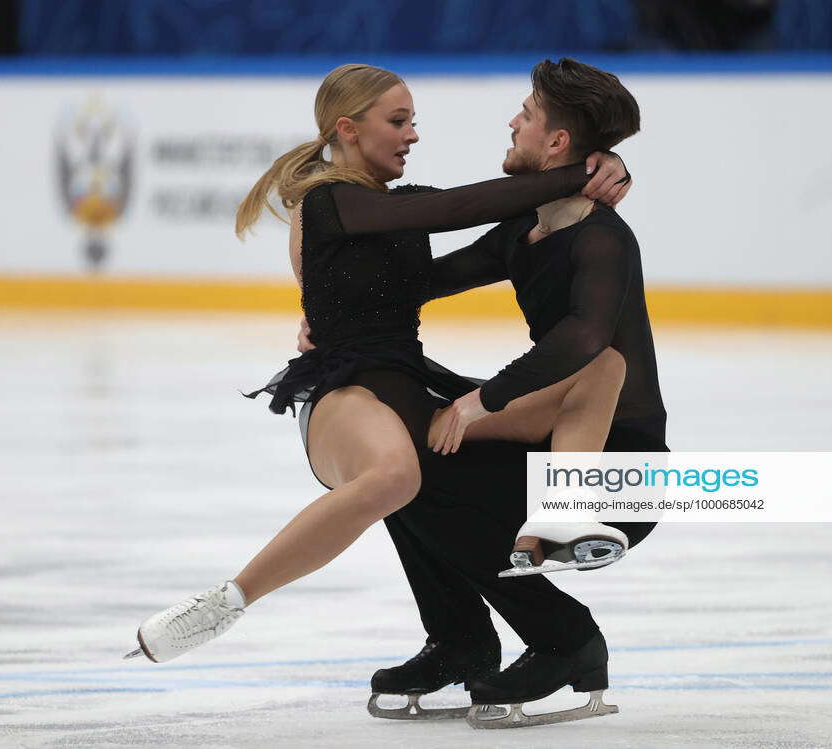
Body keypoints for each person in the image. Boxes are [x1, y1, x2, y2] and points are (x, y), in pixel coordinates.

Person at [122, 63, 630, 667]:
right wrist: (583, 171)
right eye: (397, 121)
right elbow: (463, 207)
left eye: (413, 121)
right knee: (396, 478)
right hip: (346, 391)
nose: (412, 134)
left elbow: (469, 247)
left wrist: (601, 171)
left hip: (413, 387)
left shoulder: (397, 208)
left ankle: (560, 522)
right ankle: (228, 601)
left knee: (601, 369)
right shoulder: (331, 202)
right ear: (349, 128)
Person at [318, 57, 668, 729]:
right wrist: (336, 312)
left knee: (430, 476)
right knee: (395, 457)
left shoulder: (602, 238)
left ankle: (567, 640)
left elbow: (586, 337)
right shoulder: (525, 228)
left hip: (614, 466)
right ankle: (460, 638)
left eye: (529, 115)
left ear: (558, 144)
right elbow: (427, 278)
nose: (513, 122)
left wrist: (486, 399)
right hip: (549, 434)